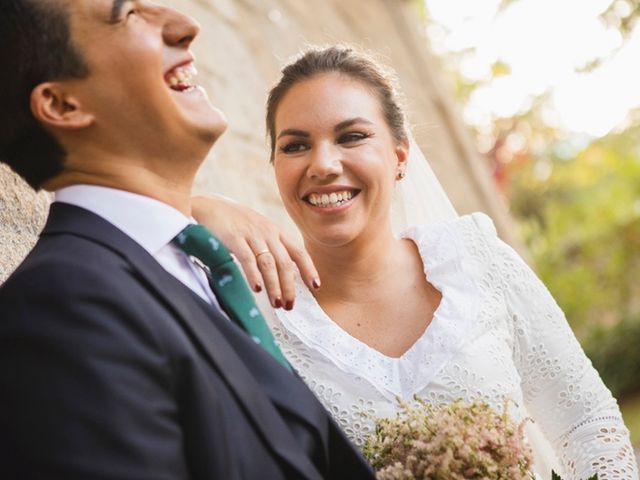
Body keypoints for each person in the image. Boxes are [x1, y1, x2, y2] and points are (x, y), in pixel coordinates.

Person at [194, 45, 638, 479]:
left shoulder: (476, 261)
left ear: (400, 155)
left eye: (352, 136)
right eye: (295, 146)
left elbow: (586, 422)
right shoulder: (259, 315)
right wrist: (196, 207)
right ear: (274, 165)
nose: (324, 164)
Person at [0, 3, 375, 479]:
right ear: (62, 105)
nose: (185, 25)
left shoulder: (190, 264)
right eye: (127, 13)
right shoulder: (57, 307)